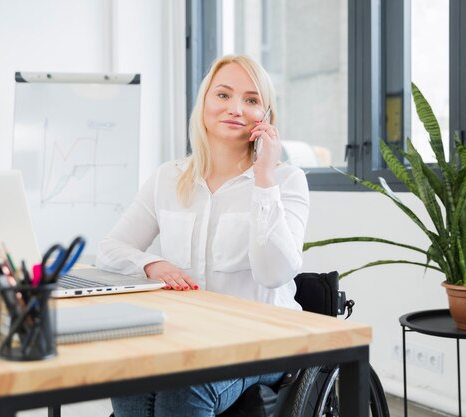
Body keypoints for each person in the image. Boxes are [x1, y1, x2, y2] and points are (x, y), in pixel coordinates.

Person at [96, 54, 310, 417]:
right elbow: (109, 249)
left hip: (262, 340)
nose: (236, 108)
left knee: (183, 389)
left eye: (252, 100)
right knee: (129, 381)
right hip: (187, 335)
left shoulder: (286, 181)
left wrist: (264, 178)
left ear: (266, 117)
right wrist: (153, 264)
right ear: (205, 103)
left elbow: (274, 273)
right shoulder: (168, 177)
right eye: (223, 95)